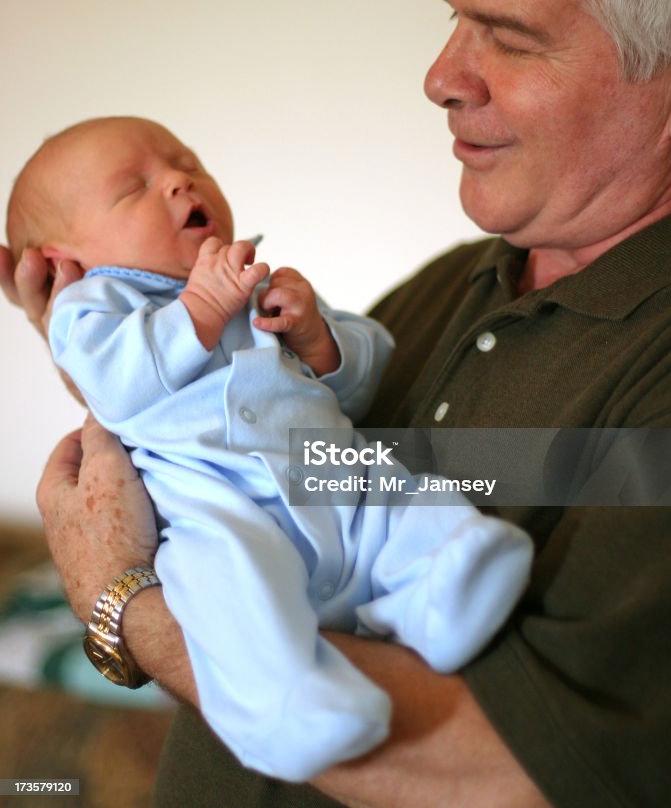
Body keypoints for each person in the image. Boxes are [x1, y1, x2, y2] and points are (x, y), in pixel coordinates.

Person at [3, 0, 671, 803]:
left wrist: (123, 601)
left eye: (506, 35)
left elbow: (523, 768)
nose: (438, 75)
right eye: (450, 16)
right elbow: (254, 452)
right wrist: (100, 327)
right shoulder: (451, 288)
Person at [5, 115, 532, 782]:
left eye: (186, 161)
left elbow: (368, 377)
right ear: (64, 261)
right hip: (215, 505)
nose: (178, 180)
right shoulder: (93, 308)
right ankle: (287, 704)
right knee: (231, 593)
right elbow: (113, 386)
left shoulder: (253, 280)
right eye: (133, 188)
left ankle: (440, 585)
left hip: (322, 471)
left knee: (395, 497)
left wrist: (321, 339)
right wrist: (197, 307)